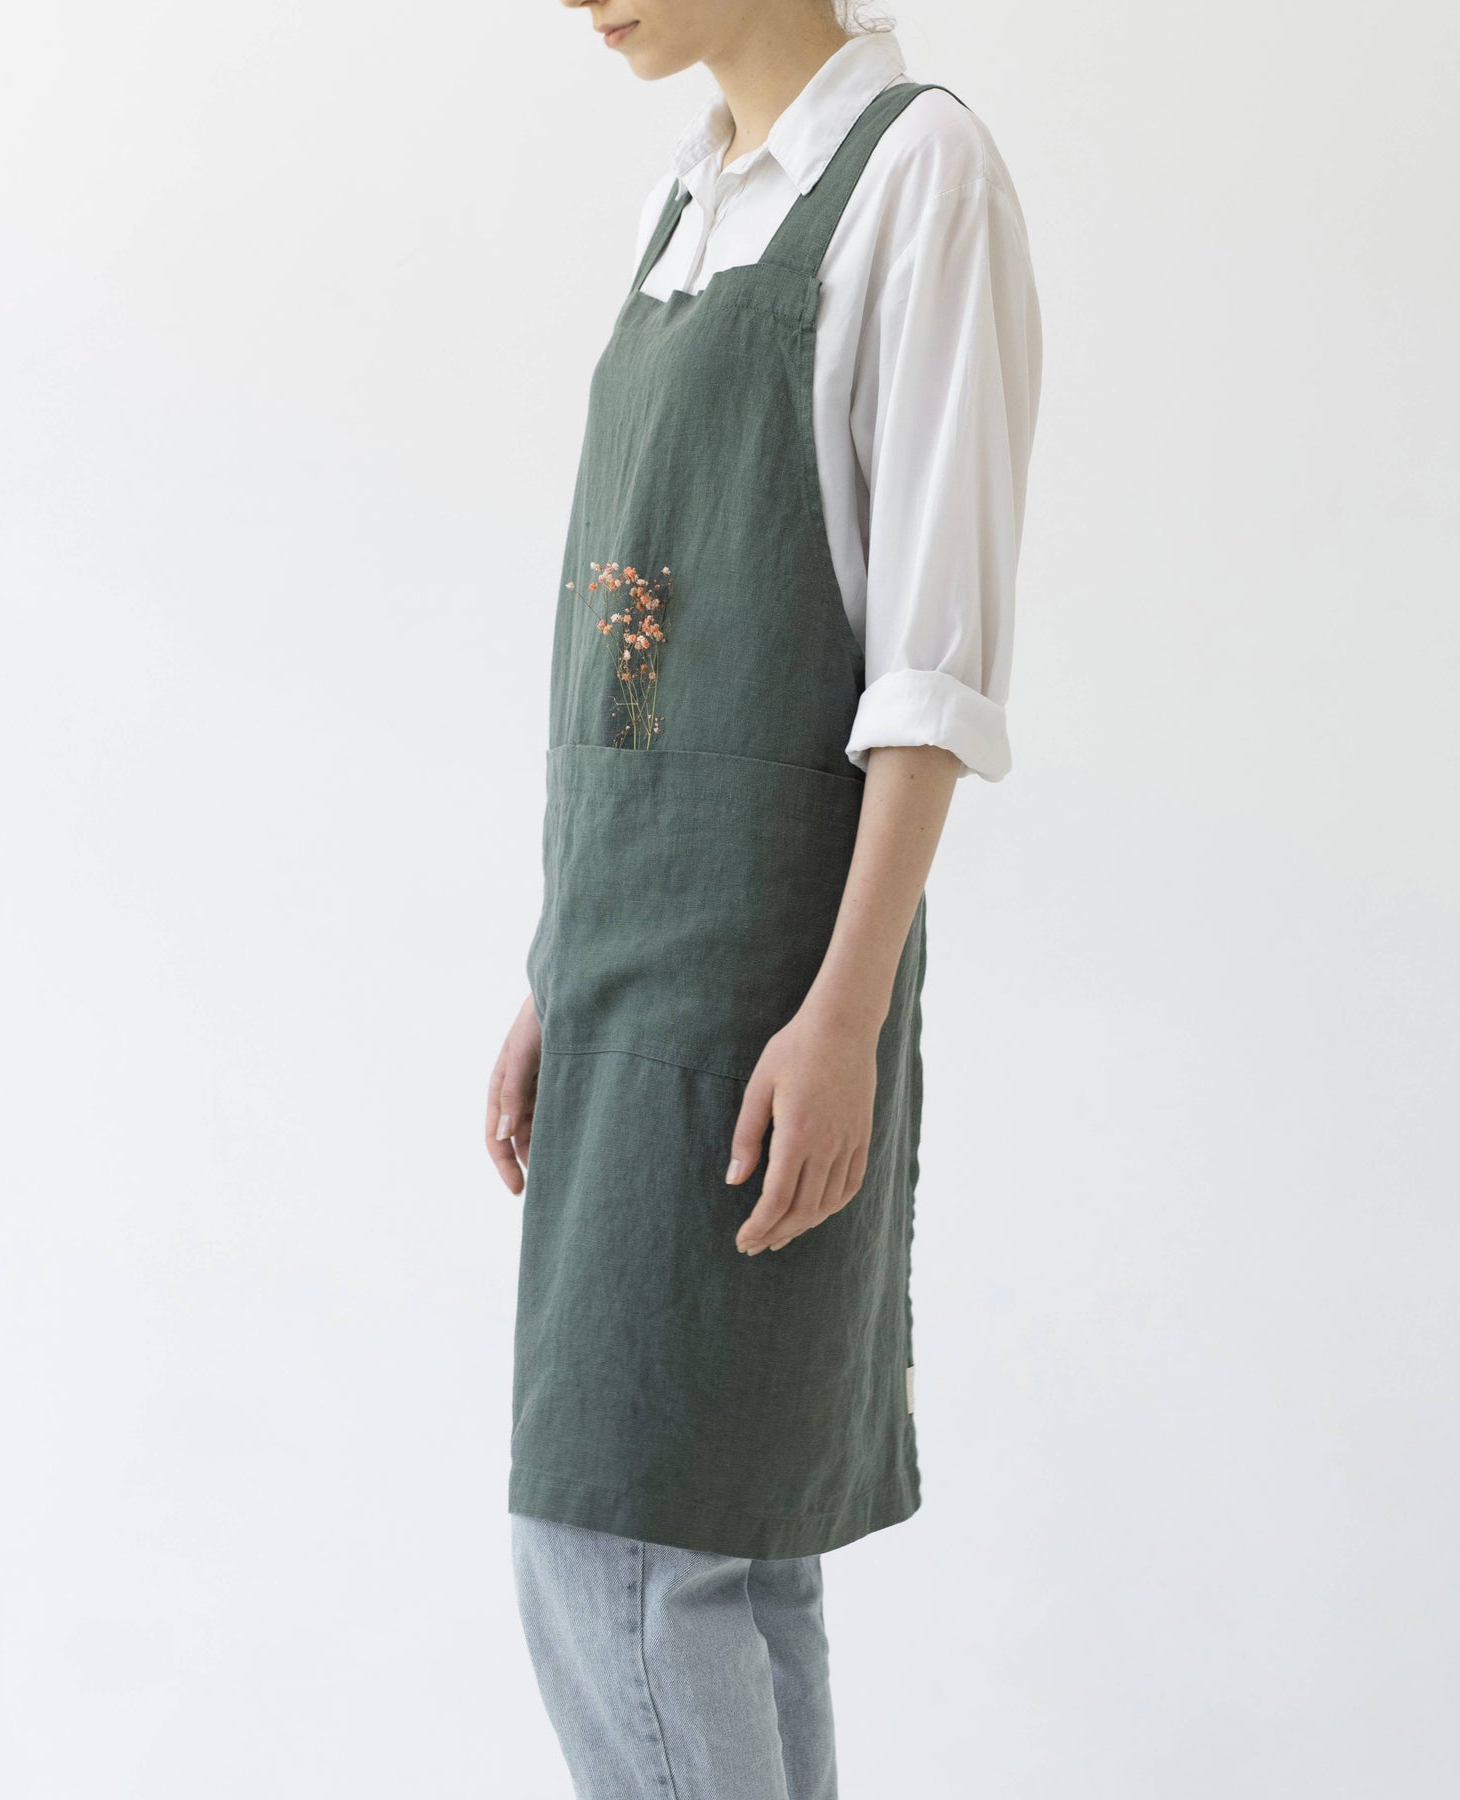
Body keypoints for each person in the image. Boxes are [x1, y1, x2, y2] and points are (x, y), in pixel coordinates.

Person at [485, 3, 1041, 1794]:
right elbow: (643, 654)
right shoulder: (699, 195)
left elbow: (931, 673)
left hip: (759, 985)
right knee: (726, 1555)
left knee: (627, 1542)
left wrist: (845, 1014)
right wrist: (554, 972)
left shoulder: (917, 172)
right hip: (620, 961)